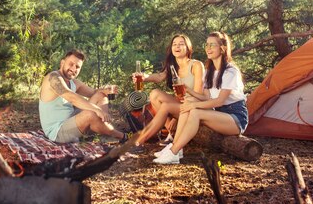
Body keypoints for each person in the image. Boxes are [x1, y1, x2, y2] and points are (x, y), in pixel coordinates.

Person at [151, 31, 248, 164]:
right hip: (218, 114)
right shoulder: (210, 71)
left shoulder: (230, 71)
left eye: (212, 45)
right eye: (207, 44)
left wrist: (193, 105)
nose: (208, 48)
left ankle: (173, 151)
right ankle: (175, 149)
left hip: (235, 118)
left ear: (222, 48)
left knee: (194, 110)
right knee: (188, 105)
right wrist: (187, 90)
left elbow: (220, 101)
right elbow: (206, 97)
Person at [39, 50, 127, 143]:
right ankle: (122, 136)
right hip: (57, 132)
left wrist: (107, 90)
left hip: (71, 121)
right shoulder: (53, 78)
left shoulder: (74, 83)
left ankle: (102, 133)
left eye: (77, 67)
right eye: (71, 64)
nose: (73, 69)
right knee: (90, 113)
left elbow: (95, 93)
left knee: (101, 96)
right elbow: (71, 97)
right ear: (62, 63)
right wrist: (97, 110)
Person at [133, 34, 204, 144]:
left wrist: (176, 117)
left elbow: (199, 94)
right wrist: (144, 77)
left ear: (188, 47)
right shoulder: (172, 65)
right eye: (174, 44)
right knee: (155, 94)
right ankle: (172, 132)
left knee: (166, 106)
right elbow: (159, 77)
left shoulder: (196, 65)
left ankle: (141, 141)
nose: (177, 47)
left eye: (181, 44)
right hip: (179, 104)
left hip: (194, 106)